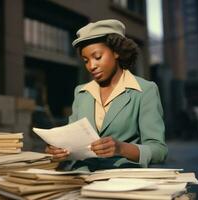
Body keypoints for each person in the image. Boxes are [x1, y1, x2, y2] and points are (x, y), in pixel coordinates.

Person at [45, 19, 168, 171]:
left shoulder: (145, 90)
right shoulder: (81, 92)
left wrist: (121, 148)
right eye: (86, 61)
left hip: (122, 179)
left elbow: (159, 151)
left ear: (116, 52)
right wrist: (59, 151)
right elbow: (72, 143)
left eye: (97, 57)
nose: (91, 66)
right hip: (81, 177)